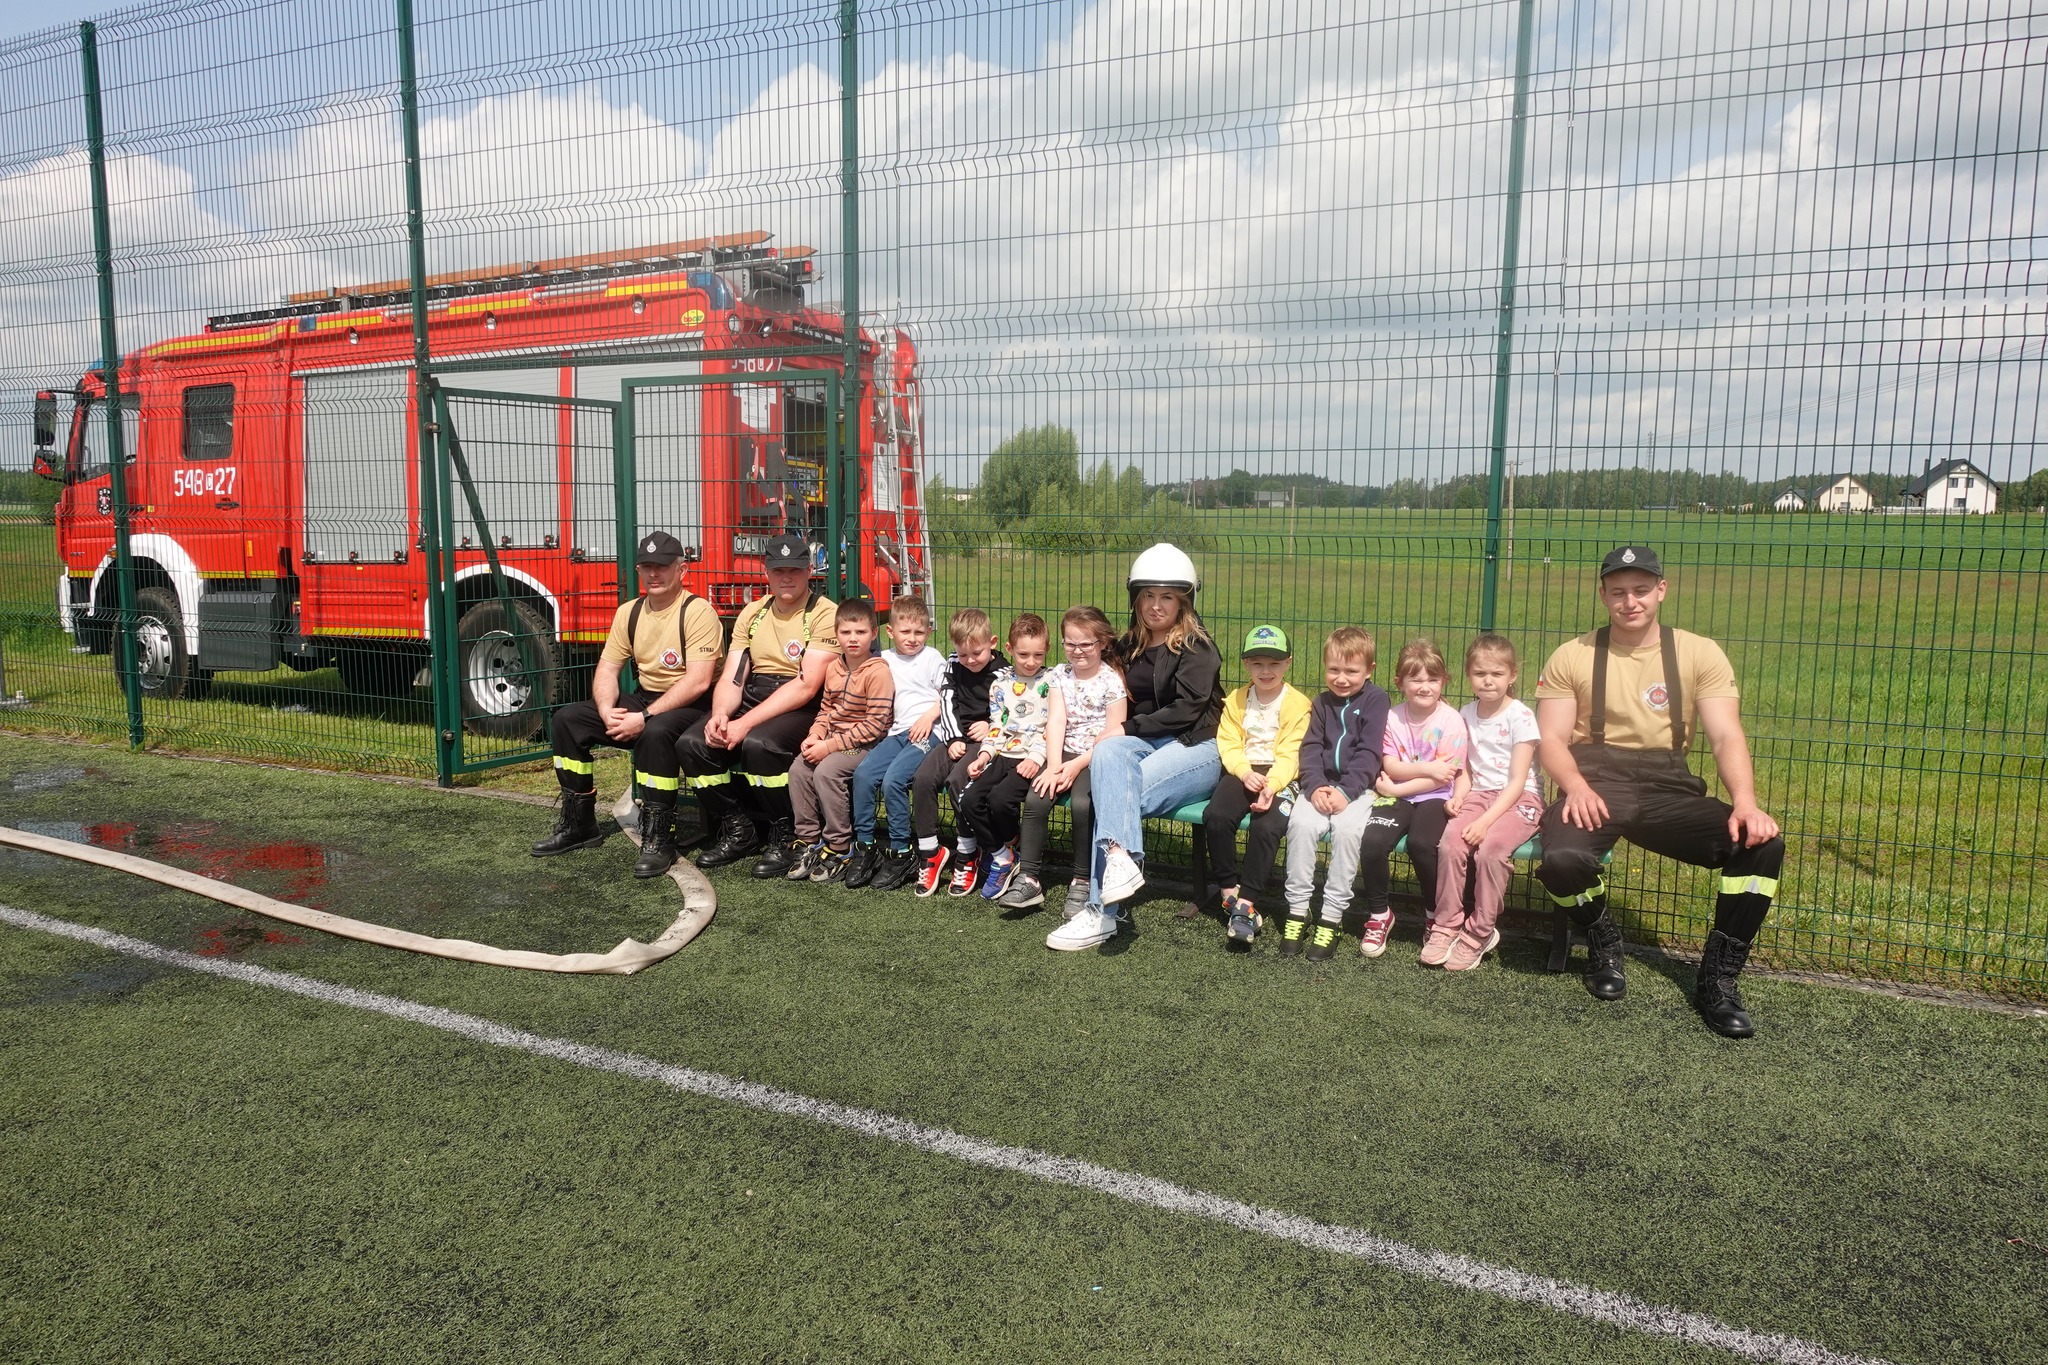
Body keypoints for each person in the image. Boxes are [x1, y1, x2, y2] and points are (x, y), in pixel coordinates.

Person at [1534, 545, 1784, 1038]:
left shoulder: (1699, 652)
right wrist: (1576, 787)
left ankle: (1718, 977)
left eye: (1641, 590)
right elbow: (1551, 739)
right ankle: (1602, 940)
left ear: (1661, 591)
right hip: (1596, 781)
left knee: (1761, 845)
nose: (1630, 602)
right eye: (1618, 592)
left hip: (1667, 784)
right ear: (1603, 595)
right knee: (1560, 859)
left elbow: (1726, 735)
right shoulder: (1572, 654)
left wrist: (1746, 804)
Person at [1047, 544, 1224, 952]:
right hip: (1146, 741)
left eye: (1167, 597)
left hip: (1196, 745)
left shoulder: (1198, 647)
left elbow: (1188, 709)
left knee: (1117, 796)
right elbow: (1088, 665)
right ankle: (1119, 868)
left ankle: (1102, 911)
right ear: (1136, 598)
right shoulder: (1130, 645)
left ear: (1184, 602)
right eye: (1148, 595)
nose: (1156, 606)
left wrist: (1126, 727)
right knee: (1109, 753)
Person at [530, 531, 723, 877]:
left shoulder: (698, 612)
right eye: (646, 566)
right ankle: (579, 824)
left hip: (694, 703)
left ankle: (659, 837)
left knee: (656, 731)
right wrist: (606, 710)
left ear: (682, 570)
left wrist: (643, 717)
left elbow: (698, 681)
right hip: (648, 697)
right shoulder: (628, 612)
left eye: (662, 566)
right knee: (568, 719)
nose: (654, 574)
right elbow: (607, 668)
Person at [678, 531, 838, 873]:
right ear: (766, 572)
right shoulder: (752, 613)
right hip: (756, 692)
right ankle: (739, 828)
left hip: (802, 704)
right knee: (692, 743)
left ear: (810, 571)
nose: (786, 578)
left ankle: (786, 835)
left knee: (759, 744)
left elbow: (807, 685)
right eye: (779, 570)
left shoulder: (825, 613)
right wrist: (721, 715)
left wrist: (744, 724)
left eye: (794, 570)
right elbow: (734, 676)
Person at [1001, 605, 1128, 913]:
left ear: (1102, 643)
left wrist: (1075, 765)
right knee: (1037, 796)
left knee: (1083, 805)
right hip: (1062, 751)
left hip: (1096, 756)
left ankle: (1082, 880)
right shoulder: (1059, 675)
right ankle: (1029, 878)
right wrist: (1055, 766)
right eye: (1070, 643)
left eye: (1086, 644)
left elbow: (1115, 734)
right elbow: (1056, 721)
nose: (1077, 650)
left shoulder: (1112, 681)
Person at [1428, 633, 1542, 971]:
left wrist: (1484, 822)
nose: (1488, 681)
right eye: (1480, 673)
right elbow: (1464, 768)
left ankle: (1481, 930)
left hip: (1520, 798)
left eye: (1497, 673)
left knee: (1490, 850)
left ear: (1512, 675)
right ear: (1469, 675)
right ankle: (1446, 924)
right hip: (1478, 795)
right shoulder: (1465, 714)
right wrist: (1459, 796)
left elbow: (1517, 781)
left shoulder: (1521, 717)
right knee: (1451, 843)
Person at [1279, 627, 1392, 959]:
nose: (1341, 679)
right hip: (1318, 787)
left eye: (1351, 671)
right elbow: (1311, 748)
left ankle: (1331, 917)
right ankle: (1297, 911)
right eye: (1334, 670)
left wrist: (1345, 791)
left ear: (1369, 670)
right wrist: (1315, 786)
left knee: (1347, 831)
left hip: (1359, 790)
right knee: (1301, 825)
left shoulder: (1376, 700)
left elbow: (1369, 752)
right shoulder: (1321, 703)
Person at [1353, 639, 1469, 960]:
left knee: (1422, 844)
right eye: (1415, 679)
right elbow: (1391, 765)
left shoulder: (1451, 721)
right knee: (1372, 841)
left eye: (1432, 679)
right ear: (1399, 682)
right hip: (1401, 791)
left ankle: (1435, 915)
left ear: (1444, 680)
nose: (1424, 686)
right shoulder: (1392, 717)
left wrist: (1395, 789)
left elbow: (1443, 778)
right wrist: (1426, 768)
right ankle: (1380, 915)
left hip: (1435, 796)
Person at [1205, 624, 1312, 947]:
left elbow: (1292, 752)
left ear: (1288, 663)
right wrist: (1242, 772)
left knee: (1267, 826)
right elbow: (1228, 743)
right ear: (1246, 664)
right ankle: (1228, 890)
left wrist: (1273, 785)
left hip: (1282, 775)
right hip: (1244, 770)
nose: (1266, 671)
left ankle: (1247, 904)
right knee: (1216, 816)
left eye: (1274, 664)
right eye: (1257, 664)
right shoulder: (1236, 700)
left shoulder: (1298, 704)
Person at [786, 599, 896, 883]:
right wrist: (815, 735)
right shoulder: (834, 668)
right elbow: (826, 710)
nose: (853, 639)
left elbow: (874, 726)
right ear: (837, 635)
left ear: (874, 633)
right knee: (799, 769)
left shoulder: (878, 672)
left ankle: (840, 846)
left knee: (827, 771)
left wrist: (829, 747)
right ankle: (809, 840)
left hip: (867, 744)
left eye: (860, 632)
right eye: (846, 632)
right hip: (832, 739)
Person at [843, 595, 948, 889]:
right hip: (897, 733)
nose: (912, 638)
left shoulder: (932, 658)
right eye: (905, 632)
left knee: (894, 781)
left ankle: (901, 852)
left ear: (928, 631)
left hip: (929, 732)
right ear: (890, 631)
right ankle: (865, 846)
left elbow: (949, 696)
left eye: (919, 632)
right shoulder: (884, 660)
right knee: (863, 775)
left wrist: (929, 717)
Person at [903, 609, 1008, 896]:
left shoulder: (1004, 672)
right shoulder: (953, 664)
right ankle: (930, 852)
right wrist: (953, 739)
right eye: (963, 654)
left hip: (986, 742)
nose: (970, 660)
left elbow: (1009, 709)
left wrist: (990, 725)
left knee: (958, 781)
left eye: (977, 653)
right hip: (955, 737)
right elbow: (947, 700)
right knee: (923, 778)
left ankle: (967, 853)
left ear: (992, 643)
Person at [953, 614, 1053, 900]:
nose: (1031, 662)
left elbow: (1053, 727)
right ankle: (1002, 855)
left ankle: (1010, 841)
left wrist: (1036, 758)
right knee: (969, 800)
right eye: (1023, 655)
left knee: (999, 800)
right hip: (1003, 753)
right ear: (1009, 649)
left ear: (1047, 649)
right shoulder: (1000, 684)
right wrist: (984, 755)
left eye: (1038, 655)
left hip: (1032, 757)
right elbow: (997, 725)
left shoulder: (1052, 682)